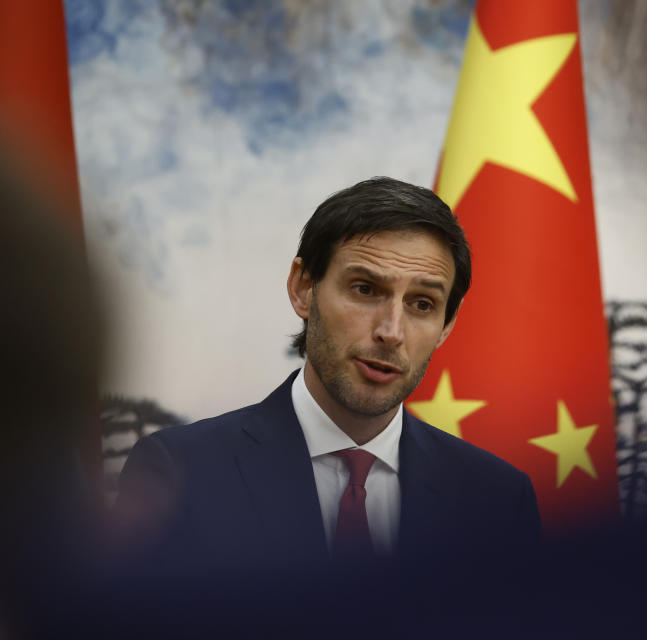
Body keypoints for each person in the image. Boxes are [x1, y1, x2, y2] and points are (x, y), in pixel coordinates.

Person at [116, 177, 540, 578]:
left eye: (422, 304)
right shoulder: (180, 474)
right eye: (365, 289)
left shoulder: (498, 501)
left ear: (447, 325)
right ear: (303, 288)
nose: (391, 332)